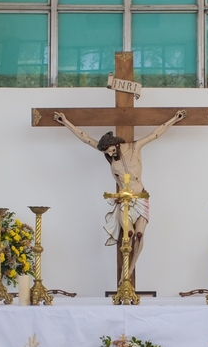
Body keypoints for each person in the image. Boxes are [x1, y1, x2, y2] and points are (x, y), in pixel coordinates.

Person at [54, 110, 186, 281]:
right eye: (106, 152)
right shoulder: (109, 154)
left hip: (140, 198)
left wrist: (174, 119)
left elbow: (155, 134)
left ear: (115, 144)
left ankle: (129, 270)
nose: (109, 154)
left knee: (139, 236)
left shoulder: (134, 147)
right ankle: (125, 272)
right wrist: (65, 122)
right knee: (128, 236)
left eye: (109, 150)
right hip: (124, 201)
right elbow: (85, 138)